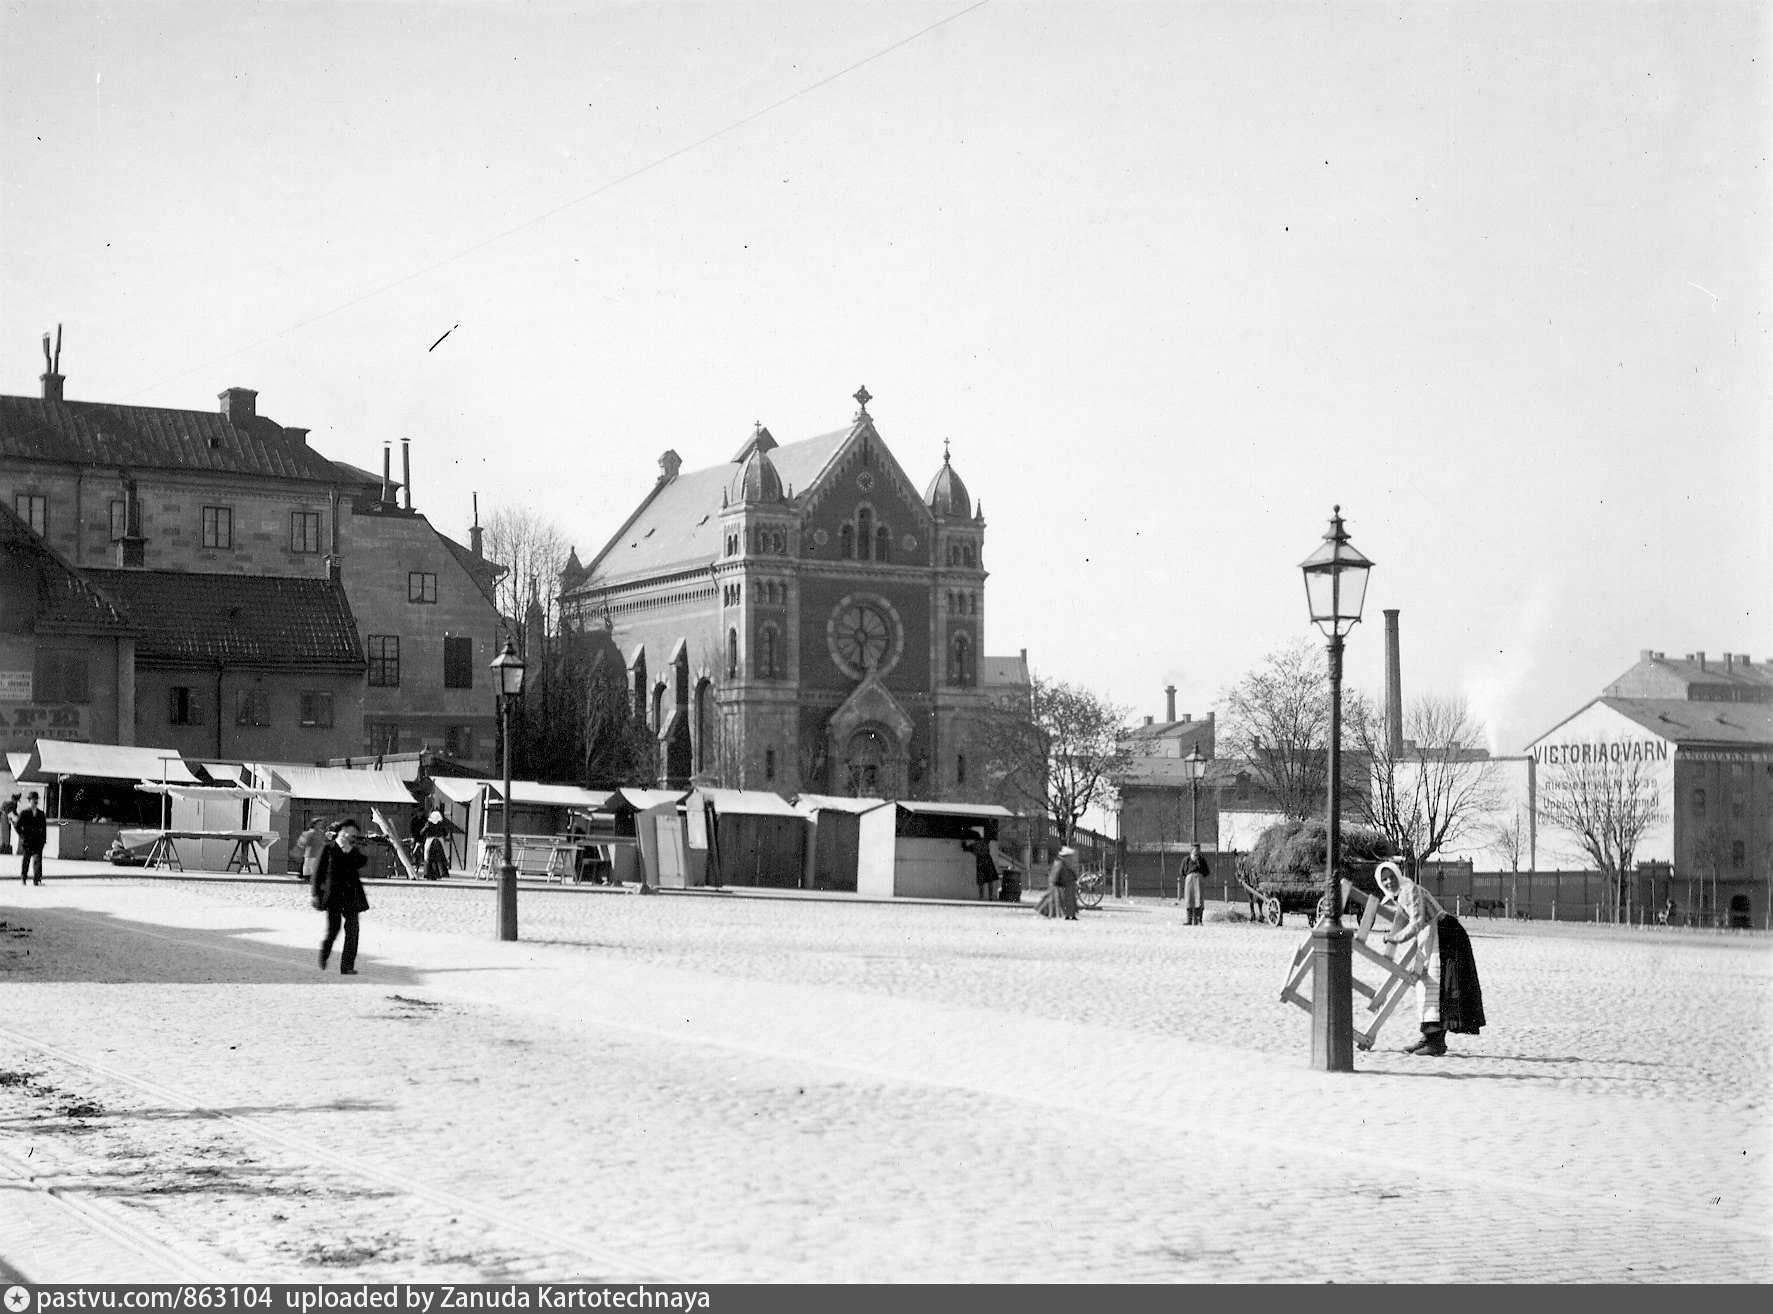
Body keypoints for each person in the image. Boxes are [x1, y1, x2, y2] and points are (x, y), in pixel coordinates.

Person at [1377, 860, 1486, 1056]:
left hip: (1446, 934)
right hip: (1435, 934)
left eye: (1391, 876)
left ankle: (1437, 1042)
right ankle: (1428, 1037)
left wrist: (1394, 938)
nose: (1388, 881)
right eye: (1384, 879)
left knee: (1438, 986)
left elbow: (1417, 923)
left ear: (1398, 875)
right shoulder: (1400, 894)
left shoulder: (1408, 890)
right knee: (1426, 984)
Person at [311, 817, 370, 975]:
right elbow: (318, 872)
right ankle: (325, 953)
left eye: (354, 833)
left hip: (351, 895)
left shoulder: (353, 850)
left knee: (353, 930)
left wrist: (354, 849)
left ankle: (347, 966)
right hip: (334, 896)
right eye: (351, 832)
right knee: (334, 929)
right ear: (343, 831)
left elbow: (362, 862)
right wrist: (316, 894)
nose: (353, 835)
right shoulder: (329, 847)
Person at [1039, 846, 1081, 921]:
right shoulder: (1059, 864)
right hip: (1061, 886)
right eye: (1069, 857)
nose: (1070, 858)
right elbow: (1058, 875)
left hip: (1066, 886)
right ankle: (1065, 915)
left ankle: (1071, 915)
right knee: (1059, 902)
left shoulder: (1063, 863)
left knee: (1069, 901)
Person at [15, 792, 48, 886]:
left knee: (38, 860)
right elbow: (17, 825)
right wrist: (22, 835)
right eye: (33, 800)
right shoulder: (24, 813)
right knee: (26, 860)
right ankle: (23, 878)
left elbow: (44, 828)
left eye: (36, 800)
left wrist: (43, 840)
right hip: (27, 841)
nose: (35, 802)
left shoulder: (41, 814)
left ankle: (37, 880)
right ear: (29, 801)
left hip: (37, 841)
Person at [418, 809, 454, 881]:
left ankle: (427, 873)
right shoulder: (440, 824)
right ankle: (442, 873)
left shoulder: (429, 823)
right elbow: (445, 833)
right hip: (439, 841)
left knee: (427, 856)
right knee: (442, 856)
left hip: (430, 840)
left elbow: (422, 832)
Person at [292, 817, 329, 883]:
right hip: (310, 853)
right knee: (309, 868)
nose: (320, 826)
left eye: (321, 824)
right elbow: (303, 842)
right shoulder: (309, 833)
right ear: (314, 824)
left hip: (318, 853)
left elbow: (324, 841)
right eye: (318, 824)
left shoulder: (321, 833)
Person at [1181, 844, 1210, 925]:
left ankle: (1199, 920)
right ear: (1191, 850)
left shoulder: (1202, 860)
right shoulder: (1186, 860)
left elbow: (1206, 871)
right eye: (1195, 849)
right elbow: (1182, 871)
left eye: (1198, 849)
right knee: (1189, 899)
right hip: (1189, 880)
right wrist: (1188, 877)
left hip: (1199, 880)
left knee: (1199, 899)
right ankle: (1189, 920)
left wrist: (1200, 876)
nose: (1197, 851)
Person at [966, 831, 999, 901]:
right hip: (988, 861)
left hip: (980, 861)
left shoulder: (973, 845)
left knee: (980, 881)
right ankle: (990, 897)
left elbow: (965, 848)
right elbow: (989, 839)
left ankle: (981, 897)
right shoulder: (985, 842)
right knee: (990, 880)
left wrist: (963, 842)